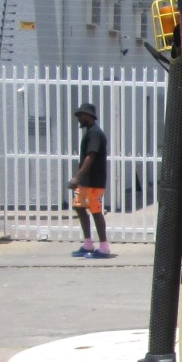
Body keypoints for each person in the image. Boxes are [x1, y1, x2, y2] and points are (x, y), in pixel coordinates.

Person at [70, 103, 112, 259]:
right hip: (86, 182)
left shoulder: (95, 133)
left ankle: (104, 247)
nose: (78, 119)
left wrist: (77, 177)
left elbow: (91, 156)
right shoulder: (89, 132)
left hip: (94, 181)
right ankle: (88, 243)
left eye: (80, 116)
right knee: (79, 207)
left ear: (88, 116)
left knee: (95, 211)